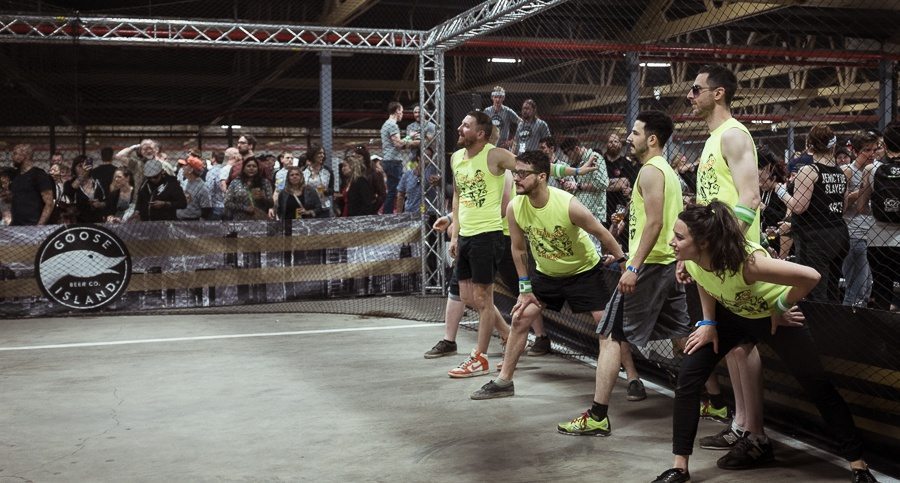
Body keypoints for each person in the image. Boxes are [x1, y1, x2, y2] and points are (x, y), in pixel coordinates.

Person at [651, 201, 878, 483]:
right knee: (688, 377)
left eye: (679, 237)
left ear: (704, 242)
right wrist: (709, 322)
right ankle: (680, 468)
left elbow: (811, 276)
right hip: (733, 315)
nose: (672, 242)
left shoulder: (748, 263)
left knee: (817, 385)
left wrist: (780, 306)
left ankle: (859, 466)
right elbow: (705, 280)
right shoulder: (692, 258)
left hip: (775, 318)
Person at [555, 110, 691, 430]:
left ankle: (597, 417)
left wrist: (633, 266)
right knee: (683, 338)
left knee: (610, 334)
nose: (629, 138)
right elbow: (658, 224)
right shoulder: (666, 171)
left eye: (635, 133)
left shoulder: (650, 171)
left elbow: (655, 223)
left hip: (650, 267)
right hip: (664, 264)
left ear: (652, 139)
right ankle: (714, 401)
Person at [469, 148, 626, 399]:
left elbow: (602, 233)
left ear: (542, 177)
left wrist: (623, 263)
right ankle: (504, 382)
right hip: (547, 274)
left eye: (523, 173)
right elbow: (518, 248)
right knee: (520, 317)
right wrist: (524, 288)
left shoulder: (568, 204)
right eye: (515, 172)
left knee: (606, 326)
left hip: (583, 271)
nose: (516, 178)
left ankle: (633, 378)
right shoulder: (515, 207)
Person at [686, 64, 766, 464]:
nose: (690, 95)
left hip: (737, 255)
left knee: (744, 344)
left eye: (696, 89)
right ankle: (740, 424)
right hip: (717, 256)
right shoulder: (713, 139)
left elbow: (750, 196)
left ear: (718, 93)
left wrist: (725, 246)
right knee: (733, 346)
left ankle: (756, 435)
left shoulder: (734, 134)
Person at [446, 110, 519, 378]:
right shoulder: (456, 158)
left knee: (484, 299)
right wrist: (455, 234)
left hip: (488, 235)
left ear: (480, 133)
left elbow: (526, 167)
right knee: (467, 297)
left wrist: (573, 171)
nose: (459, 129)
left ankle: (480, 357)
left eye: (466, 126)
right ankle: (508, 333)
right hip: (466, 235)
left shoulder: (494, 155)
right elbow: (458, 197)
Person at [775, 125, 848, 302]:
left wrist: (780, 191)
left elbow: (799, 207)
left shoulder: (809, 171)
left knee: (813, 289)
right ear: (833, 146)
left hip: (815, 236)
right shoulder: (841, 172)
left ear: (809, 146)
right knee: (832, 288)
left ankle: (817, 320)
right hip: (838, 233)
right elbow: (843, 206)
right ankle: (834, 318)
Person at [855, 122, 900, 311]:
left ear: (885, 145)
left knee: (881, 290)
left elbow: (861, 206)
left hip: (878, 240)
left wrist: (880, 210)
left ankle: (881, 327)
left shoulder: (871, 169)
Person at [841, 130, 879, 307]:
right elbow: (841, 206)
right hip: (853, 234)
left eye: (874, 149)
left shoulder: (877, 170)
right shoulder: (847, 171)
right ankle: (847, 320)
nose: (872, 154)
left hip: (874, 235)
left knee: (866, 288)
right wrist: (863, 190)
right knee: (857, 290)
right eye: (867, 150)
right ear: (855, 151)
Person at [7, 144, 54, 226]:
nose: (12, 157)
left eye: (15, 153)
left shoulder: (38, 175)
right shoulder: (15, 176)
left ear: (25, 155)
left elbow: (49, 203)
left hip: (32, 224)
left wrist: (39, 226)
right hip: (16, 225)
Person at [380, 102, 414, 214]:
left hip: (389, 161)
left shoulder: (386, 124)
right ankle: (396, 214)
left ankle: (387, 214)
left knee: (392, 191)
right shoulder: (392, 125)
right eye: (402, 111)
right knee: (400, 190)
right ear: (397, 110)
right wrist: (410, 137)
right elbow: (398, 144)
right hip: (393, 161)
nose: (402, 114)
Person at [604, 133, 638, 227]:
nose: (613, 144)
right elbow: (598, 184)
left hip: (621, 206)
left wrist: (606, 184)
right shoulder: (601, 162)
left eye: (616, 141)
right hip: (603, 206)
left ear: (620, 144)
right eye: (610, 142)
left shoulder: (627, 163)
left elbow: (628, 184)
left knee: (617, 228)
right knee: (603, 232)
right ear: (606, 144)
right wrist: (619, 183)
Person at [225, 157, 273, 221]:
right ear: (243, 169)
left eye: (254, 166)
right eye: (248, 166)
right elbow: (227, 203)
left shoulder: (264, 182)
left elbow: (271, 204)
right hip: (239, 220)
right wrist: (245, 208)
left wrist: (263, 198)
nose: (251, 168)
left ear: (258, 169)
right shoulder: (235, 182)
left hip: (259, 220)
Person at [63, 156, 106, 223]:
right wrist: (83, 174)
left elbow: (106, 201)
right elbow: (70, 192)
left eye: (85, 165)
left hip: (97, 221)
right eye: (80, 166)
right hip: (78, 221)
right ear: (74, 168)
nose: (83, 168)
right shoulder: (69, 183)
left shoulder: (97, 181)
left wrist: (100, 204)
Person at [339, 149, 379, 217]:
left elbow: (367, 203)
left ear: (352, 166)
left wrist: (359, 217)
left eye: (345, 166)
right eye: (342, 166)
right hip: (347, 215)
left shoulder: (360, 181)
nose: (343, 168)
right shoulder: (348, 182)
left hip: (357, 217)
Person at [483, 85, 520, 150]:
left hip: (503, 147)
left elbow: (522, 123)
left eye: (500, 97)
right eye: (495, 97)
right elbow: (481, 127)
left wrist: (512, 141)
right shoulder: (487, 111)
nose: (497, 99)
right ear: (492, 97)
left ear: (503, 98)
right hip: (489, 145)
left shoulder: (508, 111)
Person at [176, 153, 212, 221]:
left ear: (191, 170)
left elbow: (206, 209)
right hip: (179, 220)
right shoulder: (186, 181)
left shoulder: (202, 187)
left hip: (192, 221)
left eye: (185, 165)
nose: (182, 167)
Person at [303, 145, 335, 218]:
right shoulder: (303, 171)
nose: (322, 155)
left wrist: (326, 190)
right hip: (308, 208)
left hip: (324, 207)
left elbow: (332, 190)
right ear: (312, 154)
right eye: (319, 153)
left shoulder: (328, 171)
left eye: (323, 153)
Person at [205, 151, 229, 220]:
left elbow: (209, 189)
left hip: (215, 206)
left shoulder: (211, 172)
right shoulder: (225, 171)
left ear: (213, 159)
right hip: (225, 205)